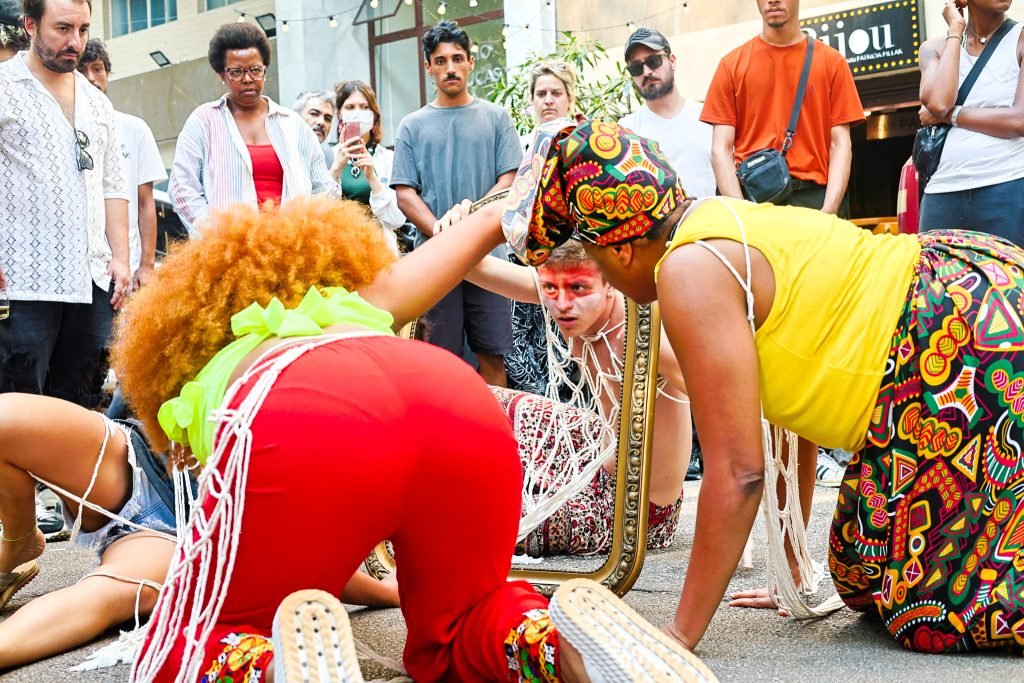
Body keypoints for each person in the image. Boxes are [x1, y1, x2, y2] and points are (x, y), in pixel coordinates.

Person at [80, 197, 715, 683]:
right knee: (465, 621)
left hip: (302, 413)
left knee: (189, 634)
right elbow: (473, 238)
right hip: (455, 399)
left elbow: (222, 493)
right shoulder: (359, 302)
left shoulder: (214, 363)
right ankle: (560, 647)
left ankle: (268, 666)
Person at [473, 117, 1024, 654]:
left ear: (620, 250)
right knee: (862, 570)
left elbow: (738, 473)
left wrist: (679, 635)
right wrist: (792, 567)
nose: (612, 282)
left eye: (598, 265)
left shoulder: (687, 269)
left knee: (940, 608)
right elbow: (791, 420)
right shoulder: (716, 218)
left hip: (958, 342)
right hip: (966, 287)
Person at [454, 239, 692, 555]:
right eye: (550, 289)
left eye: (578, 289)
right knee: (469, 398)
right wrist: (455, 224)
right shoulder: (566, 288)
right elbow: (472, 265)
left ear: (611, 283)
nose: (563, 304)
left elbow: (727, 399)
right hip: (598, 447)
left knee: (483, 522)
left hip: (637, 509)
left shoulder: (642, 336)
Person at [0, 0, 131, 537]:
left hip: (93, 278)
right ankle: (16, 524)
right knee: (17, 406)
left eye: (81, 30)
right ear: (30, 26)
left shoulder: (97, 103)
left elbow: (114, 185)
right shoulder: (4, 87)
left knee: (77, 403)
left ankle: (67, 513)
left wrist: (122, 257)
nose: (73, 41)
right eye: (61, 29)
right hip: (23, 276)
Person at [391, 19, 522, 386]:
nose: (450, 67)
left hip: (489, 258)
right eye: (441, 59)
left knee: (492, 356)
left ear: (470, 63)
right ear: (428, 66)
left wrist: (470, 228)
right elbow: (405, 194)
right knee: (437, 362)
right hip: (432, 262)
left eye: (458, 58)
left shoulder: (496, 118)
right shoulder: (411, 125)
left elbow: (509, 182)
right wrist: (441, 232)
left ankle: (493, 440)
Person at [168, 22, 335, 235]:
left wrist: (309, 234)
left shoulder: (294, 125)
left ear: (265, 70)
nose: (247, 79)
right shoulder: (203, 121)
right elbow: (182, 189)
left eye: (255, 70)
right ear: (222, 74)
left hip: (292, 254)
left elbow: (322, 189)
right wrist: (215, 238)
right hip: (227, 255)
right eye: (236, 72)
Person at [702, 0, 863, 217]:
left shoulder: (832, 62)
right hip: (753, 201)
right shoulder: (731, 65)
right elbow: (720, 149)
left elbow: (840, 144)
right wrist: (741, 214)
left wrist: (829, 210)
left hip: (813, 201)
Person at [917, 0, 1024, 242]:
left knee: (1010, 279)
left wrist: (951, 116)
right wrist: (955, 29)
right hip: (942, 192)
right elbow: (938, 102)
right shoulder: (934, 48)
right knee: (936, 279)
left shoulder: (1020, 39)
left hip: (1006, 188)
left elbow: (1019, 121)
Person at [507, 61, 579, 396]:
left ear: (569, 98)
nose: (548, 100)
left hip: (572, 261)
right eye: (541, 93)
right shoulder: (522, 146)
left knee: (574, 353)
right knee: (529, 353)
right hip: (526, 261)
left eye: (555, 93)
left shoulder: (582, 140)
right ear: (532, 101)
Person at [78, 39, 167, 291]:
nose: (91, 78)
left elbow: (145, 203)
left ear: (107, 73)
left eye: (97, 69)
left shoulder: (134, 129)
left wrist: (147, 265)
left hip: (126, 268)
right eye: (82, 71)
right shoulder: (64, 130)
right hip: (81, 268)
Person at [619, 28, 716, 199]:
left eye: (654, 61)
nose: (647, 72)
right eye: (636, 68)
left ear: (672, 61)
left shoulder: (709, 117)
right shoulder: (626, 131)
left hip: (712, 221)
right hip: (659, 225)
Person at [330, 79, 406, 252]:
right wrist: (336, 168)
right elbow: (317, 211)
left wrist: (372, 177)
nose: (358, 113)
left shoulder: (388, 158)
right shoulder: (327, 156)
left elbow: (397, 219)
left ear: (374, 115)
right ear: (340, 114)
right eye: (350, 107)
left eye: (364, 107)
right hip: (337, 251)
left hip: (379, 251)